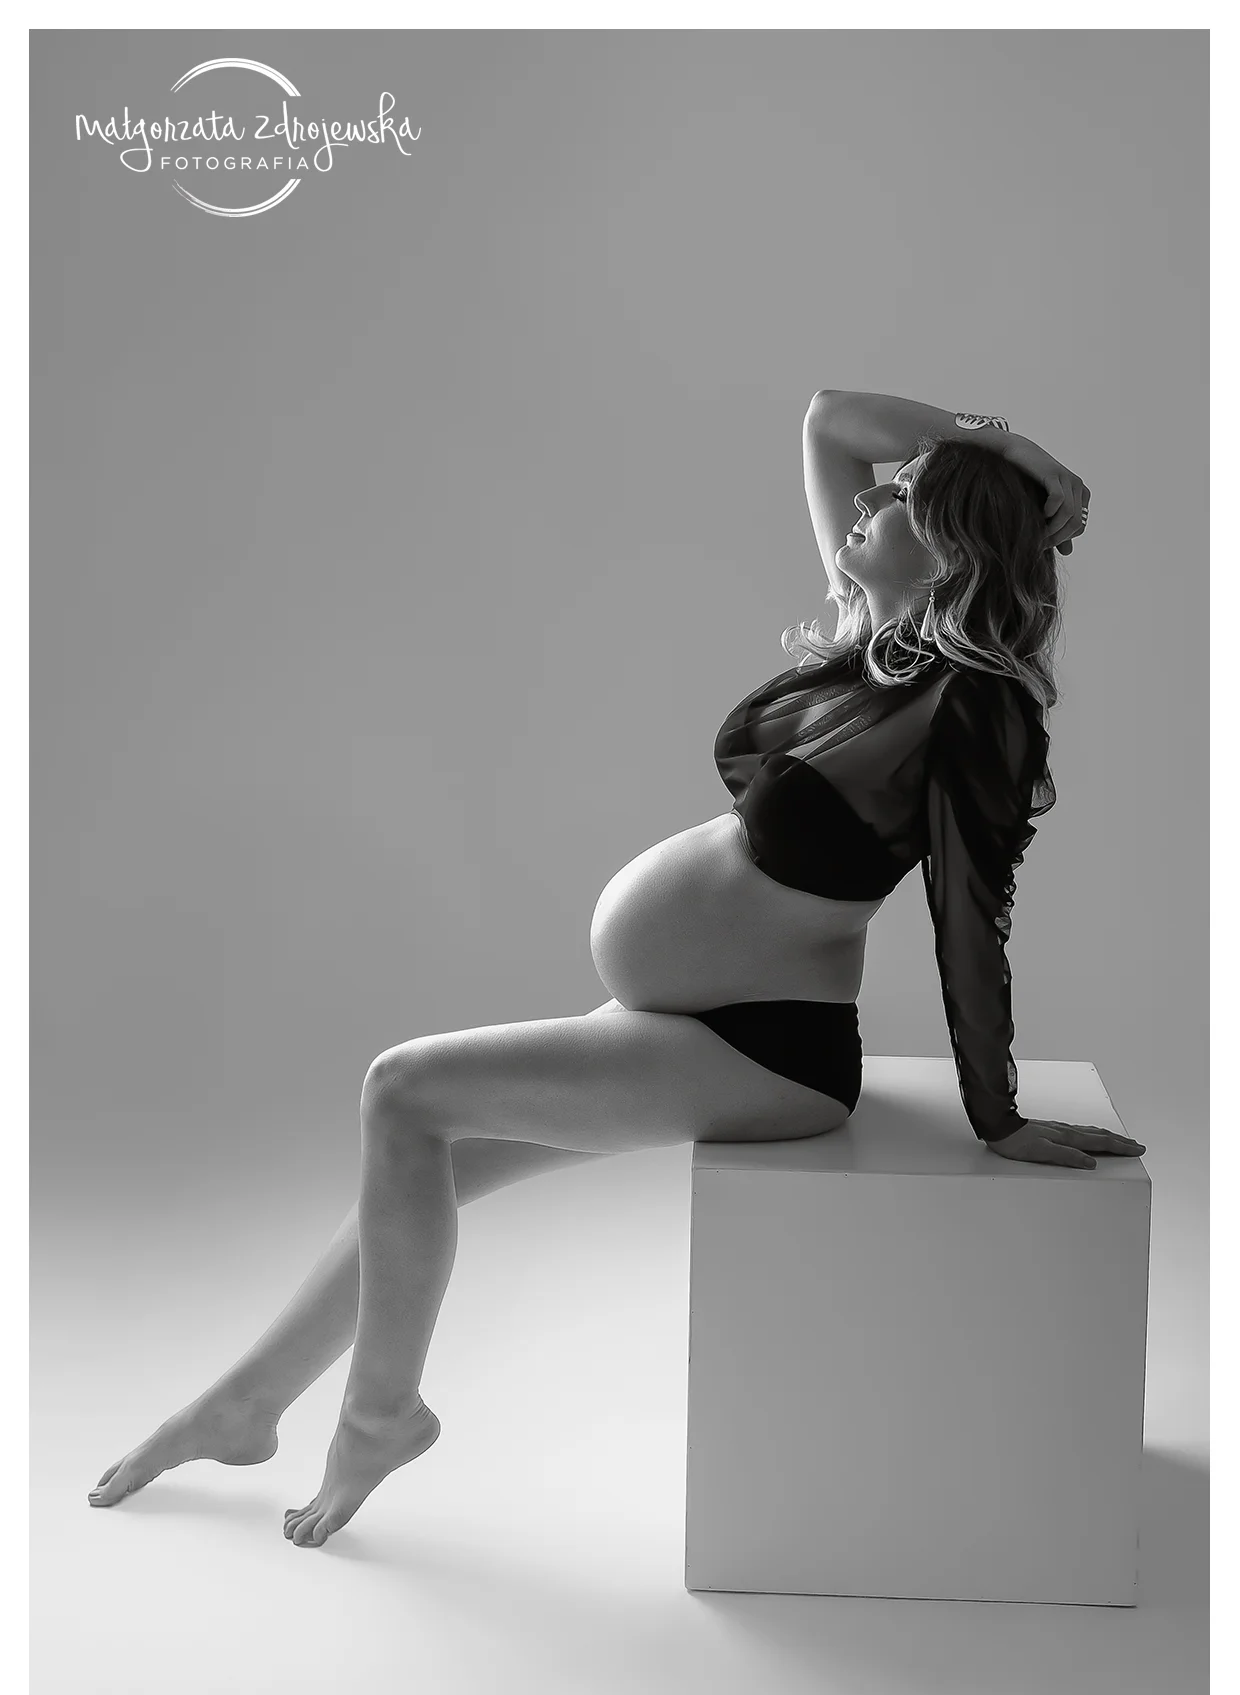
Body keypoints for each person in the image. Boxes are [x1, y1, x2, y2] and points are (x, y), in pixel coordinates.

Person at [87, 388, 1146, 1546]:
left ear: (944, 546)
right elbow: (831, 418)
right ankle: (244, 1404)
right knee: (431, 1162)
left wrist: (996, 1115)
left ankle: (380, 1415)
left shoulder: (972, 706)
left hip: (763, 1050)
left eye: (900, 497)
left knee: (403, 1090)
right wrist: (1007, 442)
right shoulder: (871, 641)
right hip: (691, 1017)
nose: (869, 495)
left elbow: (970, 915)